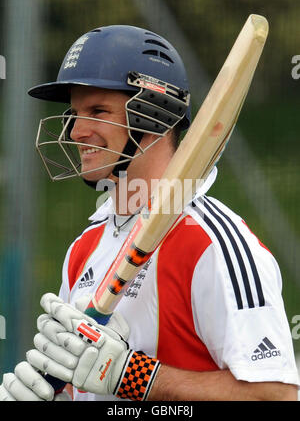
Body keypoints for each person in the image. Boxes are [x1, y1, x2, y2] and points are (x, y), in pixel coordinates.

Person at [0, 24, 299, 402]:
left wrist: (135, 376)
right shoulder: (85, 248)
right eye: (74, 112)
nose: (76, 130)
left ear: (152, 116)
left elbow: (277, 395)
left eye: (98, 111)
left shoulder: (211, 244)